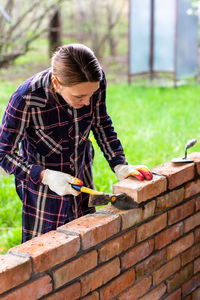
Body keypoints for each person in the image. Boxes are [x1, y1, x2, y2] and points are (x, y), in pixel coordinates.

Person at [0, 44, 153, 243]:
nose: (88, 102)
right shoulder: (26, 98)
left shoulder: (92, 83)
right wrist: (45, 176)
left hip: (81, 174)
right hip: (43, 189)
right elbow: (4, 153)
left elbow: (100, 122)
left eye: (92, 94)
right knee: (45, 248)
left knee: (85, 242)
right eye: (79, 96)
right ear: (56, 83)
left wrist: (119, 164)